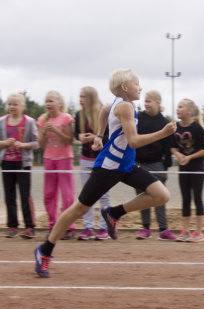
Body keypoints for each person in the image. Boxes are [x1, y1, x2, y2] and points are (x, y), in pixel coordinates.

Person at [33, 69, 176, 278]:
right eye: (137, 84)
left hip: (126, 165)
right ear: (125, 88)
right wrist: (163, 133)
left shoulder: (119, 104)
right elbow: (134, 141)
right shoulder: (125, 106)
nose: (141, 87)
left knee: (161, 195)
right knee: (79, 209)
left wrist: (99, 135)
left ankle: (114, 213)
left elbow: (103, 111)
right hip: (108, 167)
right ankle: (44, 250)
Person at [134, 90, 177, 241]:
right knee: (141, 196)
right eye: (145, 101)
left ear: (158, 103)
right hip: (139, 163)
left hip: (156, 164)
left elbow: (168, 146)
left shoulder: (164, 123)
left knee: (160, 197)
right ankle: (145, 228)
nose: (146, 104)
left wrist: (165, 166)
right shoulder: (137, 118)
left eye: (149, 101)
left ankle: (163, 229)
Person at [37, 90, 76, 240]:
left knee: (67, 195)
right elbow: (41, 145)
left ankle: (68, 227)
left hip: (64, 158)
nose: (48, 104)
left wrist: (55, 131)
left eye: (51, 101)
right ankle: (53, 225)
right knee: (49, 194)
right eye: (46, 101)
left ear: (60, 103)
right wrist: (43, 133)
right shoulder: (42, 120)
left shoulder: (66, 118)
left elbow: (69, 141)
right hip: (49, 159)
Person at [74, 86, 111, 241]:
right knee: (86, 195)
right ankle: (88, 227)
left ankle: (105, 227)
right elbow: (77, 134)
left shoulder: (103, 112)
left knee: (103, 194)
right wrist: (80, 136)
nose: (80, 99)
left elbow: (109, 135)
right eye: (80, 96)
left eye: (83, 96)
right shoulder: (79, 115)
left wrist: (95, 137)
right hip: (85, 159)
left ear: (91, 98)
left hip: (102, 159)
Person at [0, 93, 39, 238]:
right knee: (9, 195)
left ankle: (29, 227)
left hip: (23, 163)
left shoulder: (29, 122)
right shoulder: (1, 121)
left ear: (22, 106)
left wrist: (22, 145)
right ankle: (12, 226)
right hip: (6, 163)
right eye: (9, 104)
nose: (12, 107)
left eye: (15, 104)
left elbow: (36, 143)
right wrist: (5, 143)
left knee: (24, 195)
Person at [171, 98, 204, 242]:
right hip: (183, 168)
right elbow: (172, 146)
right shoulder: (175, 128)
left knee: (197, 198)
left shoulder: (197, 128)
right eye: (177, 107)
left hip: (196, 167)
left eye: (181, 107)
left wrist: (190, 157)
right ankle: (185, 230)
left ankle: (199, 232)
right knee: (185, 198)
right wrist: (179, 155)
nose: (178, 110)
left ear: (190, 111)